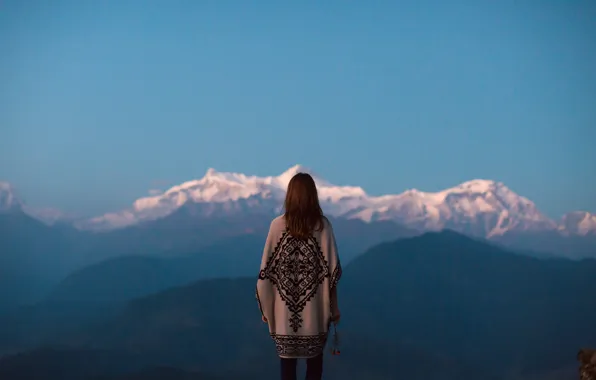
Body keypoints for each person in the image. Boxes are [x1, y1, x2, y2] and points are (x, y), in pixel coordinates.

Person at [256, 172, 342, 380]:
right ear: (313, 196)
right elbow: (331, 273)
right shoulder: (323, 227)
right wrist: (334, 307)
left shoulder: (277, 226)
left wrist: (267, 308)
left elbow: (266, 274)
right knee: (315, 367)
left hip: (284, 315)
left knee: (287, 368)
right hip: (315, 313)